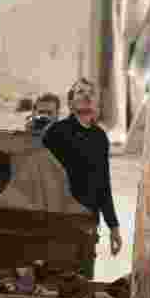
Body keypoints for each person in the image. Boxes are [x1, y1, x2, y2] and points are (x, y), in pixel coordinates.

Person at [41, 78, 121, 280]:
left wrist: (113, 226)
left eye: (90, 93)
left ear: (95, 103)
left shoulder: (100, 137)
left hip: (88, 223)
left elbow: (103, 183)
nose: (86, 96)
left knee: (83, 284)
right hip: (61, 221)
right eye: (80, 92)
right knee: (56, 282)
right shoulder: (56, 132)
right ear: (70, 103)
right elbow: (42, 176)